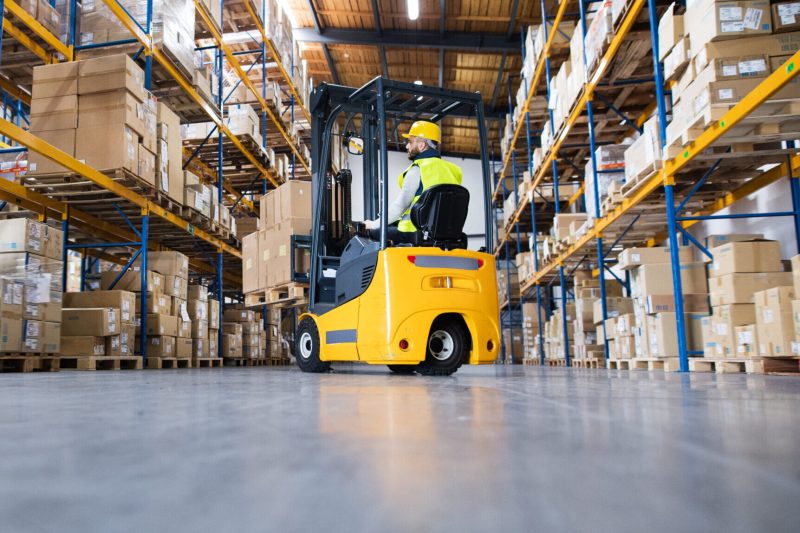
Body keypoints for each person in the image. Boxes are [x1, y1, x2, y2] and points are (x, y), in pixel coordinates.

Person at [364, 120, 463, 244]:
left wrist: (373, 225)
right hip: (445, 235)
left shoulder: (418, 168)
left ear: (421, 145)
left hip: (413, 232)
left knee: (367, 233)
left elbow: (400, 206)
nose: (407, 146)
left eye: (410, 142)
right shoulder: (454, 170)